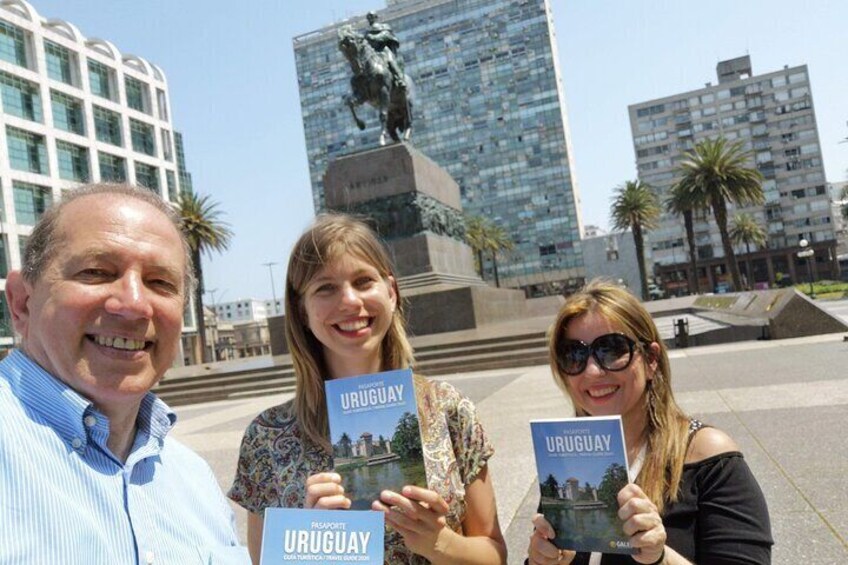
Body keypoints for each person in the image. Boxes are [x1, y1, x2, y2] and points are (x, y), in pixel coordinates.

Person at [229, 214, 506, 564]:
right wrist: (308, 549)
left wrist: (439, 543)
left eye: (363, 281)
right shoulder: (266, 438)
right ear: (301, 310)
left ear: (391, 292)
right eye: (325, 288)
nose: (349, 302)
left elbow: (495, 554)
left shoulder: (450, 409)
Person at [0, 184, 248, 564]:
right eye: (97, 272)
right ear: (21, 302)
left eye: (160, 283)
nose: (134, 305)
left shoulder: (193, 479)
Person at [527, 280, 772, 565]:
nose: (592, 371)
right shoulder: (569, 461)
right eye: (574, 354)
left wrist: (661, 557)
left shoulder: (709, 457)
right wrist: (542, 561)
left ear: (651, 359)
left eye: (611, 349)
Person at [364, 11, 406, 89]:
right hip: (373, 52)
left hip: (384, 50)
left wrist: (374, 37)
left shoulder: (384, 27)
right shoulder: (367, 32)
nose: (370, 19)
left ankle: (400, 79)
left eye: (372, 16)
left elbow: (386, 35)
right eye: (369, 17)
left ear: (376, 17)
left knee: (391, 62)